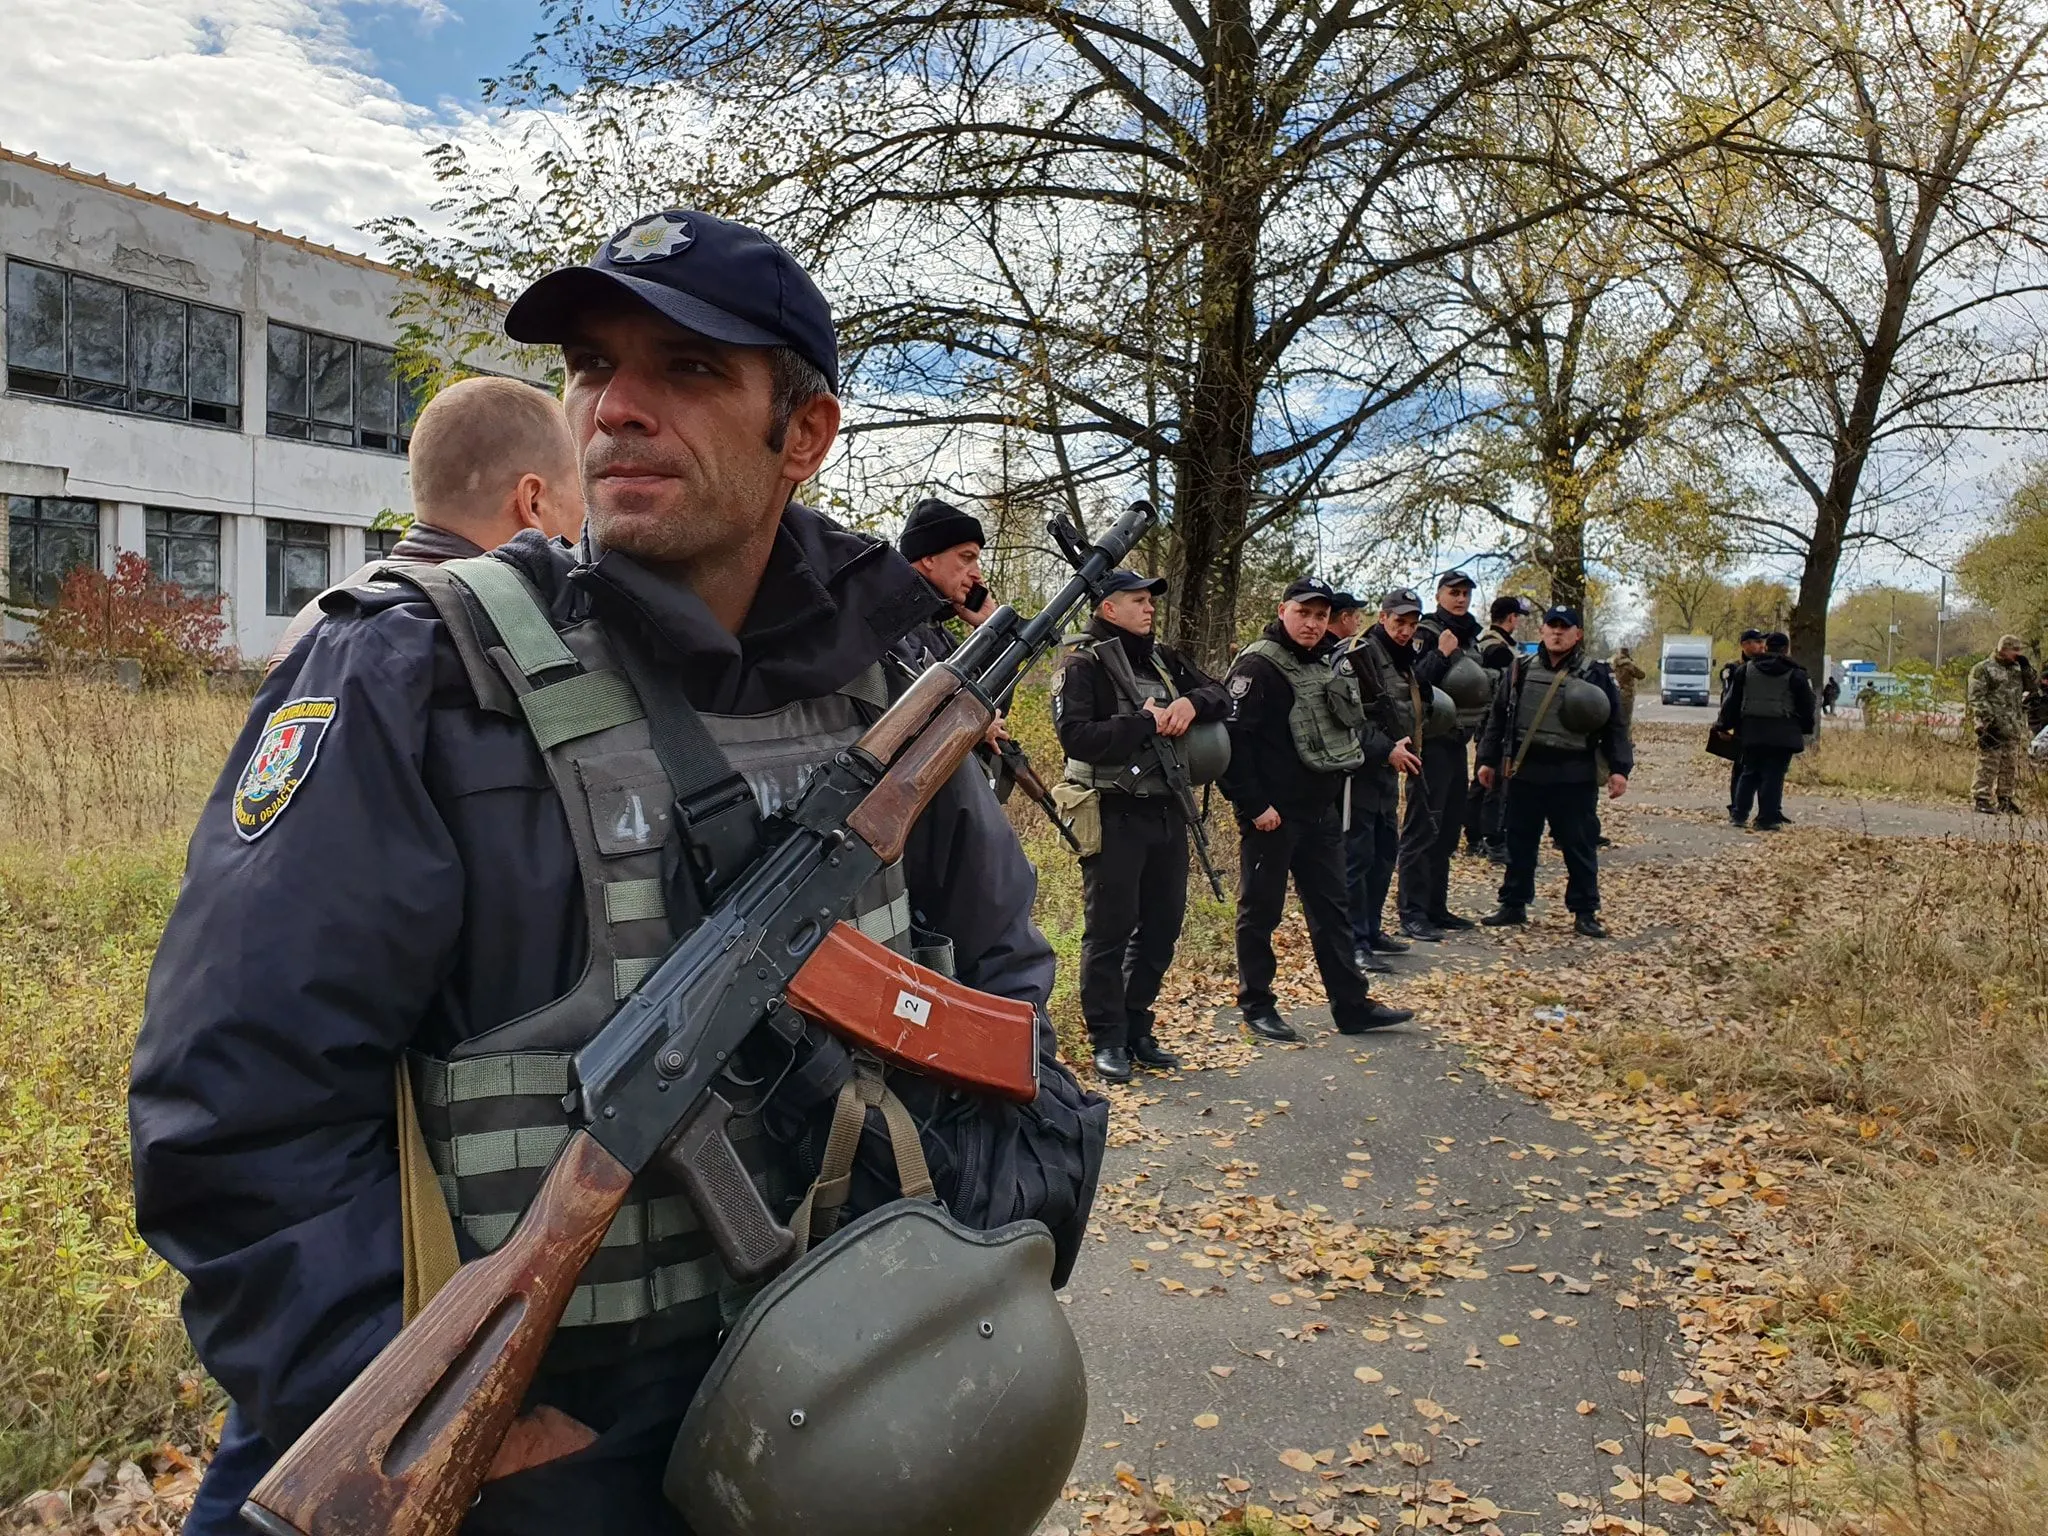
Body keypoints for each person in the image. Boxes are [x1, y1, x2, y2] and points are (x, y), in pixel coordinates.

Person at [130, 208, 1106, 1536]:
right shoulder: (414, 675)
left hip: (846, 1397)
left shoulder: (888, 690)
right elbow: (236, 1112)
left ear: (805, 434)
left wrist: (972, 1275)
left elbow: (999, 988)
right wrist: (445, 1426)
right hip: (543, 1458)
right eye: (593, 366)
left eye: (689, 370)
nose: (617, 409)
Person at [265, 377, 586, 672]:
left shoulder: (324, 615)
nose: (588, 518)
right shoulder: (490, 634)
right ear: (532, 501)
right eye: (584, 494)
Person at [1053, 570, 1230, 1082]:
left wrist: (1189, 703)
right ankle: (1107, 1040)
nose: (1149, 608)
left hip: (1168, 810)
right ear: (1109, 608)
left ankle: (1137, 1028)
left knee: (1162, 927)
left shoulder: (1165, 660)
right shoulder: (1081, 665)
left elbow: (1223, 695)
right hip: (1112, 813)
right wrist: (1146, 723)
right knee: (1109, 931)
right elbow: (1077, 738)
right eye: (1137, 600)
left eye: (1151, 600)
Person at [1222, 577, 1415, 1042]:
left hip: (1320, 812)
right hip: (1273, 816)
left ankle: (1352, 1006)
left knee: (1334, 911)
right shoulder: (1257, 667)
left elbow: (1342, 729)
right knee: (1260, 912)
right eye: (1304, 613)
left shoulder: (1324, 663)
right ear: (1283, 610)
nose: (1312, 623)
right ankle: (1257, 1005)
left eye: (1321, 615)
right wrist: (1255, 806)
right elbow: (1231, 747)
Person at [1475, 605, 1632, 937]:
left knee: (1579, 844)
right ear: (1542, 631)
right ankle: (1513, 904)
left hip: (1573, 774)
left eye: (1565, 627)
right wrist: (1486, 760)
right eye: (1552, 626)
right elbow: (1498, 718)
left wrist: (1620, 769)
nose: (1557, 633)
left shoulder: (1595, 674)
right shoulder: (1519, 669)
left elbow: (1615, 725)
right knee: (1519, 843)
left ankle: (1585, 911)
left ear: (1578, 634)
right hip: (1525, 771)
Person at [1331, 589, 1428, 967]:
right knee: (1356, 857)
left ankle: (1370, 929)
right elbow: (1347, 720)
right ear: (1383, 617)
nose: (1405, 630)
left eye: (1412, 624)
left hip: (1389, 771)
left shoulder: (1401, 659)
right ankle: (1353, 941)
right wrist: (1384, 748)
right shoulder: (1358, 654)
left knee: (1384, 853)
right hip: (1358, 772)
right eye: (1399, 621)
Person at [1398, 569, 1482, 939]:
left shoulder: (1472, 637)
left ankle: (1436, 906)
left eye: (1465, 593)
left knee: (1448, 829)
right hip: (1428, 744)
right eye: (1453, 592)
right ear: (1439, 595)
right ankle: (1412, 912)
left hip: (1457, 743)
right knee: (1422, 829)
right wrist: (1443, 655)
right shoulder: (1427, 633)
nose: (1460, 598)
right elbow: (1412, 681)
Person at [1719, 631, 1817, 830]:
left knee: (1750, 771)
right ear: (1786, 649)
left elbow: (1732, 701)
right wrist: (1806, 728)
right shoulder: (1796, 673)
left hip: (1752, 730)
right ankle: (1767, 818)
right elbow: (1807, 705)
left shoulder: (1745, 670)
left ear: (1766, 646)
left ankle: (1739, 814)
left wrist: (1723, 724)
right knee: (1774, 775)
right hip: (1783, 731)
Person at [1464, 594, 1530, 860]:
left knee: (1485, 780)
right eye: (1517, 618)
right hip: (1494, 725)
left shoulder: (1491, 644)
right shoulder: (1498, 650)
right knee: (1490, 781)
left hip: (1492, 723)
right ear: (1511, 618)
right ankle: (1487, 837)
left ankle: (1478, 834)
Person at [1968, 635, 2031, 814]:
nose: (2018, 655)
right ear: (2004, 649)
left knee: (2009, 763)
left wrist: (2027, 669)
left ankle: (2005, 799)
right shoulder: (1983, 669)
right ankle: (1981, 798)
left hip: (2012, 724)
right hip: (1991, 724)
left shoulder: (2017, 669)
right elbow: (1976, 697)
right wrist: (1987, 718)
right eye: (2015, 651)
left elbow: (2033, 687)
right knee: (1988, 761)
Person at [1720, 629, 1769, 817]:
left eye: (1762, 642)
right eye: (1757, 642)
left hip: (1764, 724)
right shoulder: (1733, 668)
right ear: (1745, 645)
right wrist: (1723, 725)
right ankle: (1737, 807)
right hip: (1742, 724)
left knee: (1765, 770)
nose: (1762, 645)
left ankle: (1765, 811)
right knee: (1741, 768)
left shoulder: (1768, 665)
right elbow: (1728, 698)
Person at [1610, 646, 1646, 731]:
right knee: (1626, 719)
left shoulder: (1611, 664)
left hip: (1612, 694)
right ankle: (1625, 740)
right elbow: (1641, 675)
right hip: (1626, 695)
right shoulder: (1629, 665)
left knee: (1613, 719)